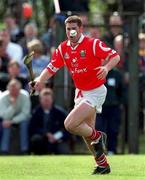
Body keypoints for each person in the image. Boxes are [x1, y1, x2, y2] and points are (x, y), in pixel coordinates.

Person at [30, 15, 120, 174]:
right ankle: (103, 165)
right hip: (80, 92)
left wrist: (106, 68)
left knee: (70, 124)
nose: (71, 32)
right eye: (68, 29)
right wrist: (39, 80)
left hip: (95, 92)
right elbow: (52, 67)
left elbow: (115, 56)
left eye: (74, 29)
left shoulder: (93, 44)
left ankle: (100, 136)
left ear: (81, 29)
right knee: (87, 133)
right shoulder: (63, 48)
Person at [29, 88, 70, 155]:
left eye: (48, 100)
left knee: (64, 150)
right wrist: (45, 134)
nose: (46, 102)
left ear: (52, 100)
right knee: (36, 139)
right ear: (40, 100)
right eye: (45, 100)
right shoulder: (36, 112)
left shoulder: (60, 113)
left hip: (57, 140)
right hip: (41, 140)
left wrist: (58, 137)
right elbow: (32, 128)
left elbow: (68, 129)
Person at [0, 79, 31, 154]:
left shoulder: (25, 95)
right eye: (12, 89)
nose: (14, 92)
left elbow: (25, 113)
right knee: (5, 124)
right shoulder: (3, 97)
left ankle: (24, 150)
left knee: (24, 123)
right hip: (7, 120)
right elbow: (4, 116)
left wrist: (12, 121)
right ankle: (4, 150)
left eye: (16, 89)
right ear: (8, 89)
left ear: (20, 89)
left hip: (22, 119)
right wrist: (13, 106)